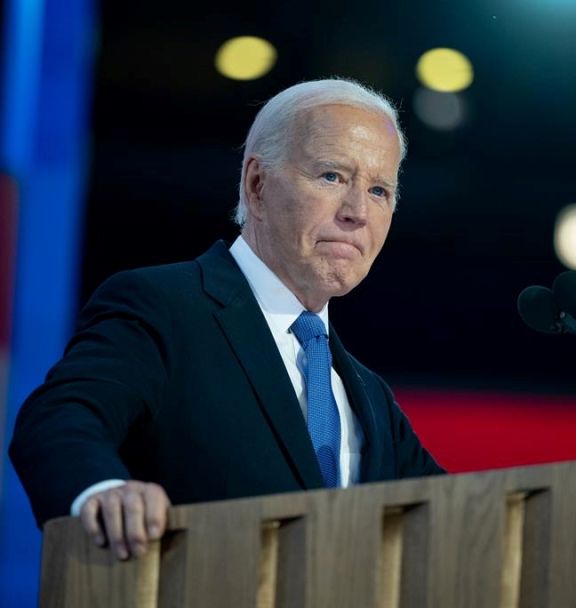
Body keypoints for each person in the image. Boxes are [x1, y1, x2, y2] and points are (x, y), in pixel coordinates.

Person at [9, 78, 444, 561]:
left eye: (380, 190)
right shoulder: (163, 308)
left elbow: (456, 518)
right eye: (332, 177)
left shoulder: (369, 396)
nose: (357, 212)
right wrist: (104, 492)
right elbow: (59, 419)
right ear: (257, 186)